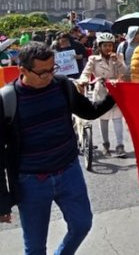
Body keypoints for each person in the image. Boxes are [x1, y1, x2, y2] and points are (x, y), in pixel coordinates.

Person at [0, 42, 116, 254]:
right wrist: (2, 201)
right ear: (22, 71)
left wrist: (114, 96)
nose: (48, 76)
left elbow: (88, 112)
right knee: (35, 247)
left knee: (82, 224)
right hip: (31, 182)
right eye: (42, 72)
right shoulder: (7, 99)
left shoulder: (62, 85)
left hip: (69, 171)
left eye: (52, 69)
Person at [78, 33, 128, 157]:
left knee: (117, 119)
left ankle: (120, 146)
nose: (108, 48)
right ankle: (106, 145)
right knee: (103, 119)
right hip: (100, 90)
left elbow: (125, 73)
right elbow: (86, 72)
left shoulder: (119, 56)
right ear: (100, 46)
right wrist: (83, 80)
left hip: (116, 90)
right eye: (105, 45)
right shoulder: (93, 59)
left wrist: (117, 61)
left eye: (110, 45)